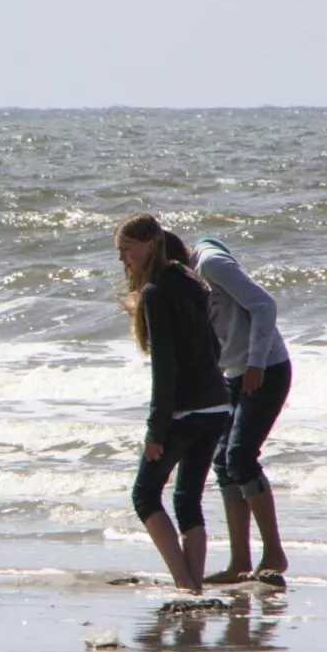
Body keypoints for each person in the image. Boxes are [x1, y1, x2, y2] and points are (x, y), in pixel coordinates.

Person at [113, 213, 230, 594]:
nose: (122, 259)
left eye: (126, 249)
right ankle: (193, 587)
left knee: (145, 495)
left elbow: (165, 370)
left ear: (148, 245)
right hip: (216, 405)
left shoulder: (156, 292)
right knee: (186, 499)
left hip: (184, 412)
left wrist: (155, 431)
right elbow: (213, 347)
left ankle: (184, 582)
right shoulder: (190, 280)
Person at [172, 233, 294, 583]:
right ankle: (239, 561)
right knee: (223, 462)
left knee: (241, 457)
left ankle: (274, 553)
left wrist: (256, 362)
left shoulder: (210, 264)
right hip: (233, 373)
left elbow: (264, 304)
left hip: (266, 369)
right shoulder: (185, 281)